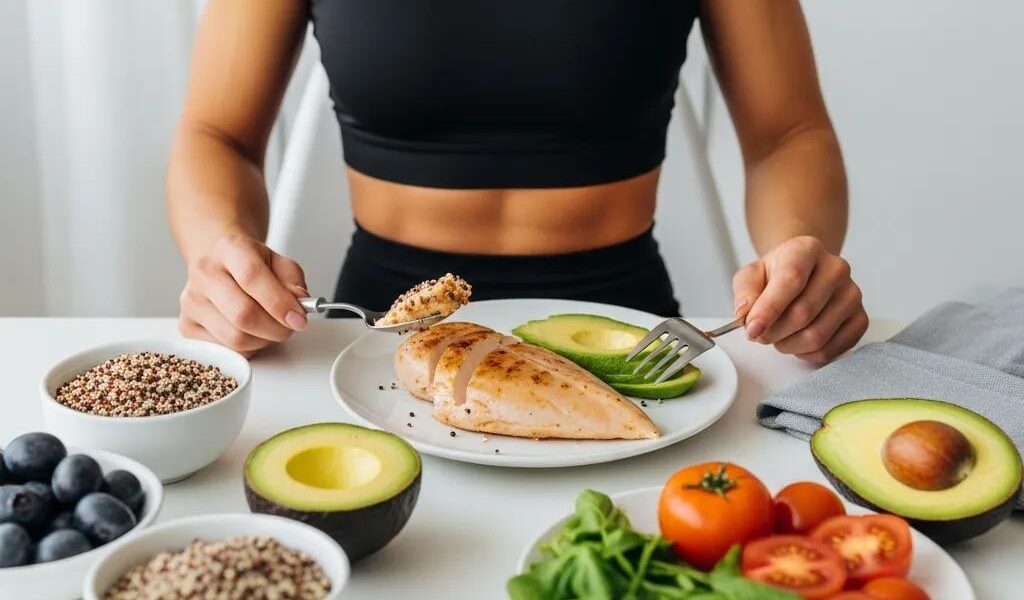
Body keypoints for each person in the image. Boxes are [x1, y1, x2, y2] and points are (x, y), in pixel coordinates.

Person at [169, 0, 867, 364]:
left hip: (625, 336)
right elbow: (217, 136)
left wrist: (797, 255)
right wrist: (221, 252)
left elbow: (788, 135)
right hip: (375, 340)